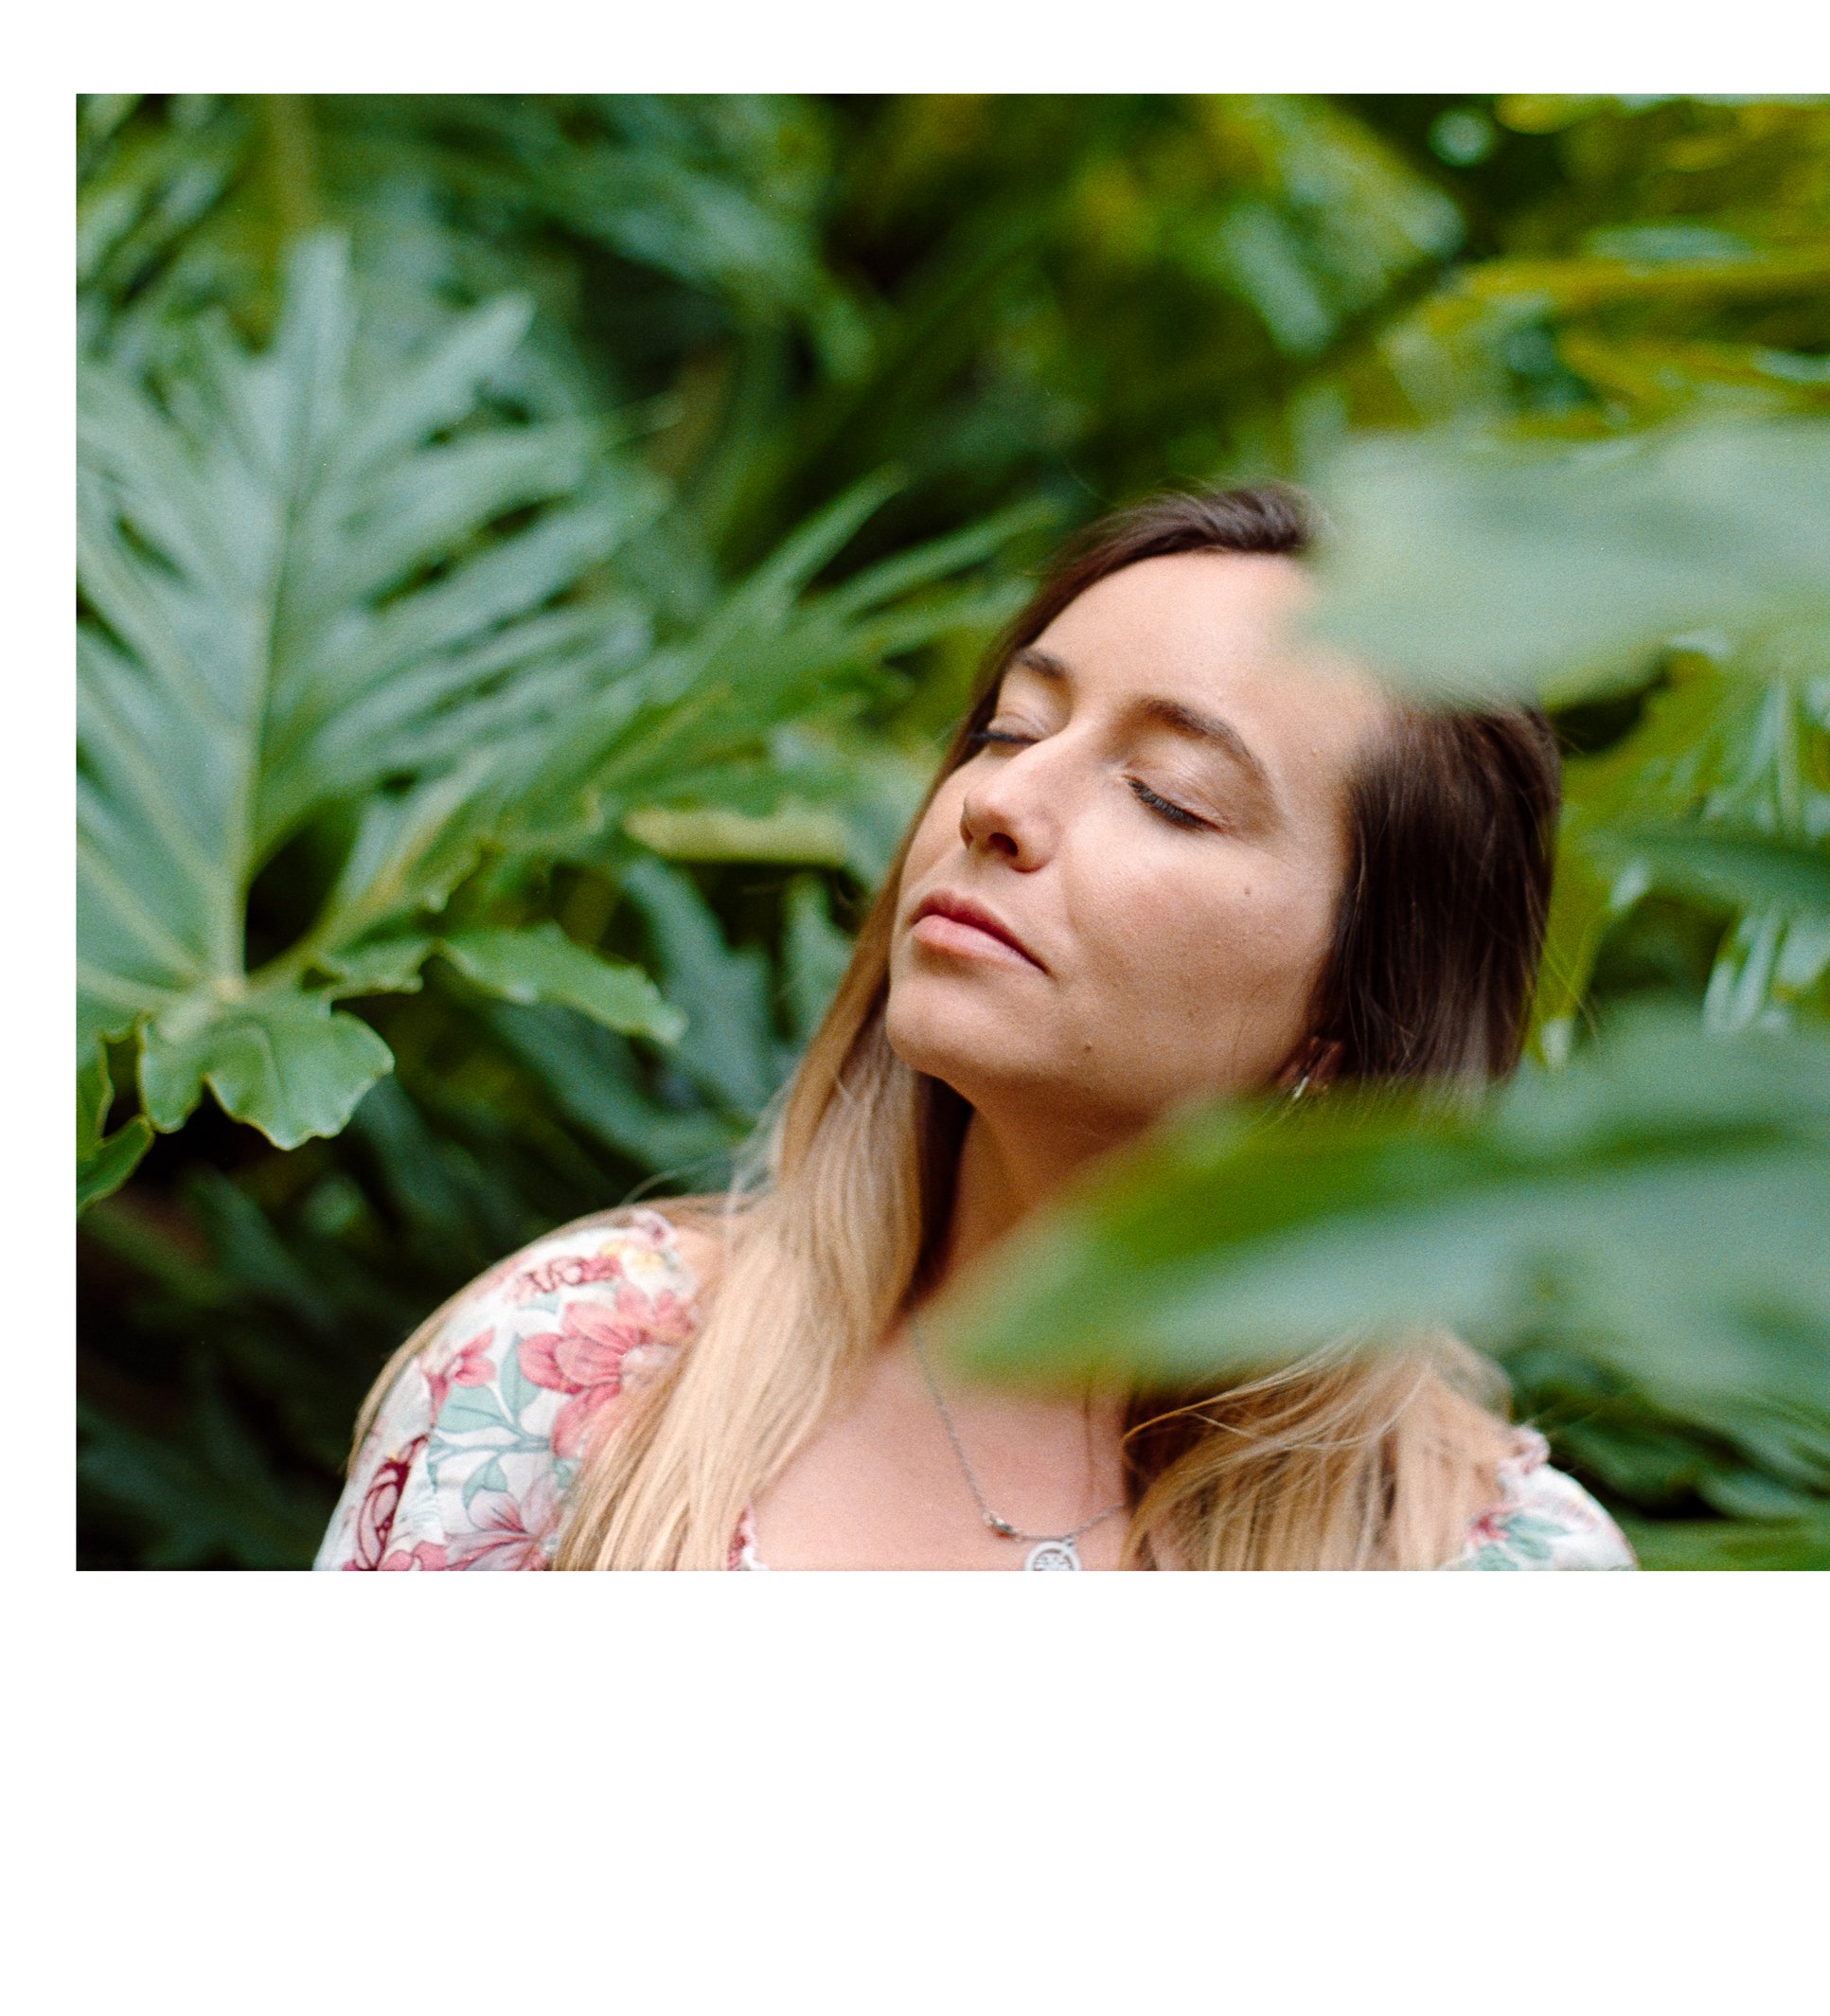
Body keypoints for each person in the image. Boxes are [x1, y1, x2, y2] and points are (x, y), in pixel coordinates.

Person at [317, 484, 1636, 1572]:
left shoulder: (1503, 1575)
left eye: (1172, 797)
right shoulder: (567, 1377)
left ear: (1342, 1033)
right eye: (1012, 726)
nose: (1002, 801)